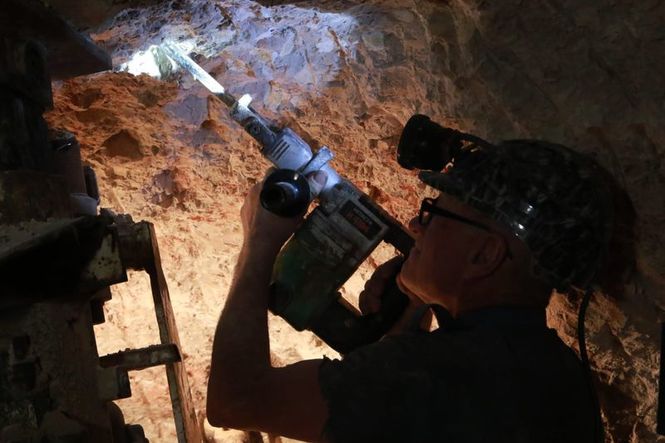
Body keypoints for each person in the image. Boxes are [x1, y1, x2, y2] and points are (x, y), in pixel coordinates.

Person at [205, 124, 617, 442]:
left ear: (485, 256)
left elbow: (235, 400)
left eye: (435, 212)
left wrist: (259, 243)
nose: (418, 225)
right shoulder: (560, 375)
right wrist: (416, 311)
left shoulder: (438, 375)